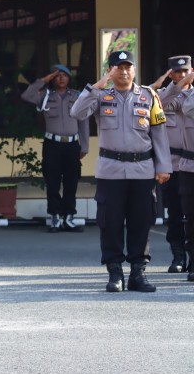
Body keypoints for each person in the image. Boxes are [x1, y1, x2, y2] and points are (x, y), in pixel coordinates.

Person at [70, 51, 171, 292]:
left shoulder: (149, 96)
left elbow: (159, 133)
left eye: (128, 67)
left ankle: (138, 273)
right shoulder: (100, 96)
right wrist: (97, 85)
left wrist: (164, 165)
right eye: (118, 67)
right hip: (111, 170)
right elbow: (77, 113)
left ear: (134, 70)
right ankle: (115, 272)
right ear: (110, 70)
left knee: (141, 222)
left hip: (142, 169)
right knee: (110, 222)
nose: (124, 71)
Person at [21, 64, 90, 232]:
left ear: (69, 78)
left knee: (71, 182)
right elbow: (26, 95)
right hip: (52, 144)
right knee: (52, 182)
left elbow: (83, 121)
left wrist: (84, 146)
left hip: (72, 144)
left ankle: (69, 217)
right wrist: (45, 79)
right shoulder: (46, 95)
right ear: (53, 78)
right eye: (57, 75)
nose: (61, 78)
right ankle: (55, 216)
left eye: (64, 75)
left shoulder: (77, 96)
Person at [151, 55, 192, 274]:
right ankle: (178, 256)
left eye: (186, 71)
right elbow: (159, 104)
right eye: (177, 72)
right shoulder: (165, 96)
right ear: (171, 74)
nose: (182, 75)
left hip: (191, 165)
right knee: (174, 214)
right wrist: (175, 88)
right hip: (172, 166)